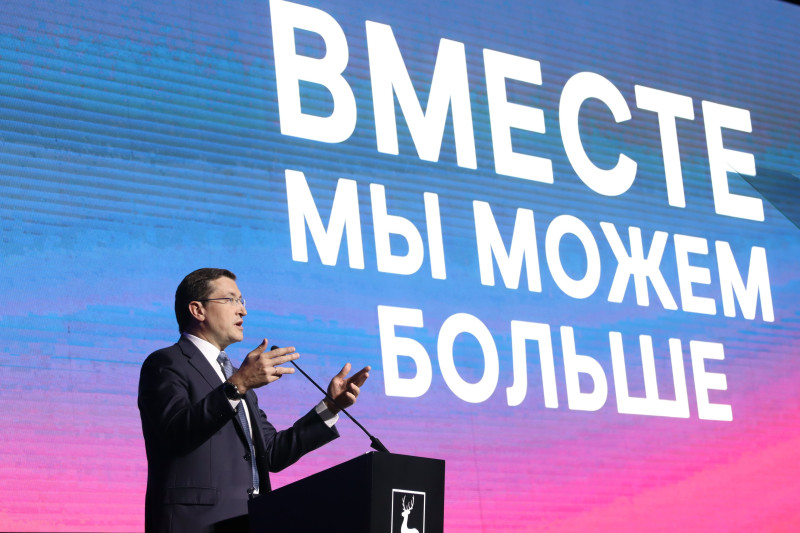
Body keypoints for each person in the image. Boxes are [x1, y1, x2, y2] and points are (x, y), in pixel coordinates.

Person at [138, 268, 370, 533]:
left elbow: (272, 453)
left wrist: (330, 407)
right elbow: (176, 433)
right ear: (197, 310)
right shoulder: (166, 363)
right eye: (230, 299)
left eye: (241, 300)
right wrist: (238, 385)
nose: (243, 310)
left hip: (250, 522)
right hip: (195, 524)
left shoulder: (234, 376)